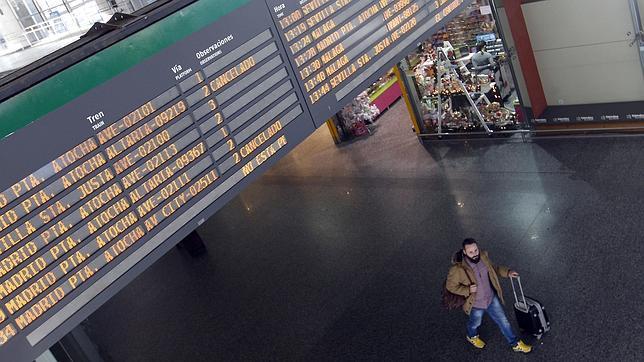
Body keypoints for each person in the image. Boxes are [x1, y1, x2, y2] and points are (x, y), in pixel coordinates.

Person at [446, 238, 532, 353]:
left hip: (491, 299)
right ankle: (472, 336)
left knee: (504, 321)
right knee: (475, 323)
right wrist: (467, 290)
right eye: (470, 252)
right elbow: (450, 286)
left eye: (476, 250)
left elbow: (494, 270)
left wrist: (508, 272)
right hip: (476, 304)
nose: (475, 254)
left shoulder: (483, 257)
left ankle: (515, 343)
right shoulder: (458, 269)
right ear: (464, 252)